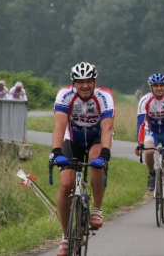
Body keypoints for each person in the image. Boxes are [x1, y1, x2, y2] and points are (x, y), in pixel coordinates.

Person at [49, 62, 115, 256]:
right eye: (80, 82)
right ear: (73, 83)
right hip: (74, 139)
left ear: (95, 82)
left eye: (88, 81)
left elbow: (107, 128)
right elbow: (59, 126)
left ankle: (97, 209)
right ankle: (65, 237)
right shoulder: (64, 95)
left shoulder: (104, 96)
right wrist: (56, 152)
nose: (84, 85)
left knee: (96, 161)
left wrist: (105, 154)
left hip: (96, 137)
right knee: (66, 184)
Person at [135, 73, 164, 215]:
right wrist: (140, 142)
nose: (159, 88)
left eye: (161, 85)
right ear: (151, 87)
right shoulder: (145, 100)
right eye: (156, 86)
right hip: (152, 131)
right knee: (148, 151)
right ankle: (151, 174)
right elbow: (141, 122)